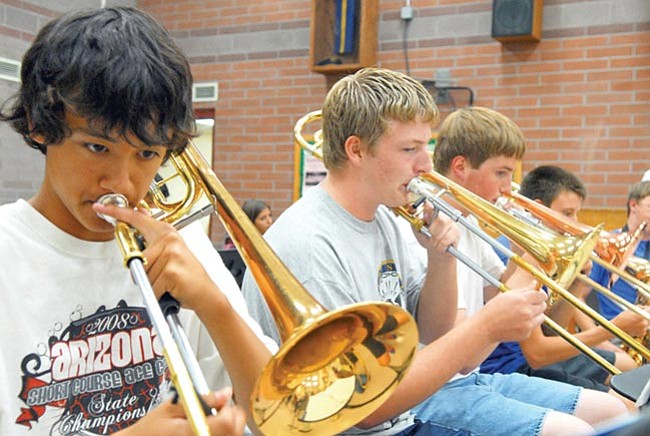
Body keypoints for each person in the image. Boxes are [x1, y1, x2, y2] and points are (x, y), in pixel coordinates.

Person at [242, 68, 627, 435]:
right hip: (369, 425)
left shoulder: (387, 217)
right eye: (410, 148)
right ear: (356, 150)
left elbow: (433, 331)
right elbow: (364, 410)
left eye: (425, 146)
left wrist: (440, 257)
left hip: (404, 409)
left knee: (610, 414)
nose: (427, 165)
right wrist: (487, 325)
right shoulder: (311, 244)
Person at [0, 7, 276, 435]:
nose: (123, 183)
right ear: (39, 125)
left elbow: (280, 420)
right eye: (96, 147)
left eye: (147, 155)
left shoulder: (181, 244)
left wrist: (214, 306)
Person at [480, 165, 644, 395]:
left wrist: (578, 281)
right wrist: (614, 329)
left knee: (630, 371)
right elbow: (538, 354)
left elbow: (550, 331)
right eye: (567, 214)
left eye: (577, 213)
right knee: (622, 401)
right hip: (511, 369)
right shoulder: (514, 252)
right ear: (538, 209)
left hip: (534, 360)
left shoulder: (549, 251)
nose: (576, 223)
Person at [590, 181, 650, 319]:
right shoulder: (608, 244)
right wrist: (601, 340)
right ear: (633, 205)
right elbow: (579, 297)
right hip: (613, 334)